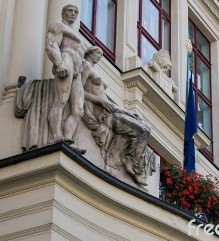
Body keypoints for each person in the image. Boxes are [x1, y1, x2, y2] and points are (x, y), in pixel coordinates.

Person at [81, 46, 151, 185]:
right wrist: (99, 100)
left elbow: (106, 99)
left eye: (101, 54)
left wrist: (128, 112)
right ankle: (132, 163)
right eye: (98, 53)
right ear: (90, 53)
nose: (100, 56)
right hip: (102, 114)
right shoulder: (85, 65)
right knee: (143, 130)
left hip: (109, 109)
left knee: (146, 126)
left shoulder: (93, 69)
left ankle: (131, 160)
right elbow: (78, 90)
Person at [45, 4, 85, 153]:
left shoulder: (75, 34)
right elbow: (51, 45)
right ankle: (56, 135)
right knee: (61, 100)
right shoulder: (58, 26)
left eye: (76, 12)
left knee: (78, 109)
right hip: (66, 59)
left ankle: (68, 138)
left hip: (77, 70)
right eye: (70, 11)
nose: (73, 14)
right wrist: (59, 63)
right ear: (63, 12)